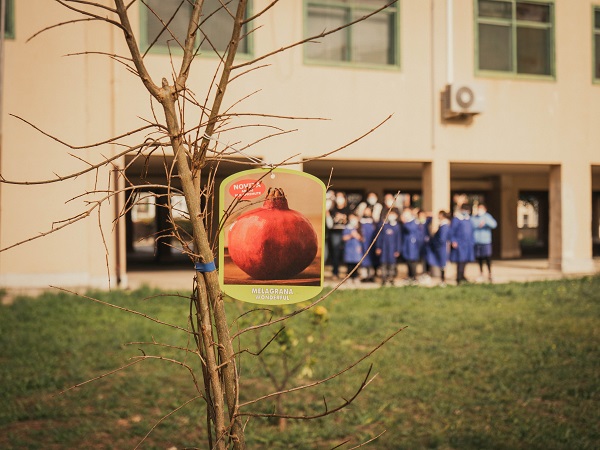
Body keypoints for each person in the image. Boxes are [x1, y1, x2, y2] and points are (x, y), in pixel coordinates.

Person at [471, 203, 498, 282]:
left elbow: (494, 225)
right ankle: (481, 273)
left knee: (487, 258)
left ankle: (490, 273)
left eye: (481, 208)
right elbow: (471, 226)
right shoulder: (473, 218)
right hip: (477, 241)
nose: (479, 210)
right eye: (478, 208)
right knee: (479, 258)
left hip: (486, 241)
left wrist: (486, 223)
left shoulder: (487, 217)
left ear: (485, 210)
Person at [449, 203, 475, 285]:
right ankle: (459, 278)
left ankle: (463, 275)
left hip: (467, 244)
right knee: (460, 261)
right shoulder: (456, 219)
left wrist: (472, 241)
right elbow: (452, 231)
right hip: (460, 244)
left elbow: (471, 231)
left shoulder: (468, 219)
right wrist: (453, 241)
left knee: (465, 261)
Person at [327, 192, 350, 280]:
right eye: (338, 197)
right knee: (335, 253)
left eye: (341, 197)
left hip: (346, 232)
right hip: (335, 232)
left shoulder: (347, 210)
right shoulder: (332, 209)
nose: (339, 199)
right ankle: (335, 272)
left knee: (347, 252)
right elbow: (330, 224)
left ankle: (349, 272)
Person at [376, 210, 401, 286]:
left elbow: (398, 239)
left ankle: (391, 278)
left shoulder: (397, 226)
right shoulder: (383, 226)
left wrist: (398, 250)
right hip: (384, 248)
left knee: (392, 264)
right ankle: (384, 278)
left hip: (392, 249)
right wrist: (378, 247)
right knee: (383, 264)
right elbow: (379, 237)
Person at [426, 210, 452, 286]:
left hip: (441, 247)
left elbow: (442, 238)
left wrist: (435, 242)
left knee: (442, 264)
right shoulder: (442, 225)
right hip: (440, 247)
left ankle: (443, 280)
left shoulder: (444, 226)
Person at [400, 208, 421, 283]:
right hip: (406, 244)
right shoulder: (407, 222)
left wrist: (404, 222)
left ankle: (414, 277)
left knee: (412, 261)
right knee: (408, 260)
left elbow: (411, 229)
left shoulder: (414, 221)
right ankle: (410, 276)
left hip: (412, 244)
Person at [342, 213, 364, 283]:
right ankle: (349, 277)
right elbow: (344, 238)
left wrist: (357, 235)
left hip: (356, 249)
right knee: (349, 265)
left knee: (356, 264)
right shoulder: (347, 228)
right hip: (349, 249)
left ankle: (355, 277)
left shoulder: (359, 228)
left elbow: (362, 239)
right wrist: (351, 235)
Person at [359, 206, 378, 282]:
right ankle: (364, 275)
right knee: (363, 259)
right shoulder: (360, 222)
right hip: (363, 244)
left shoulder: (373, 222)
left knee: (371, 259)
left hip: (371, 243)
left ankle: (371, 275)